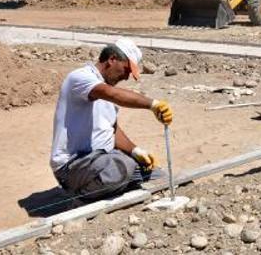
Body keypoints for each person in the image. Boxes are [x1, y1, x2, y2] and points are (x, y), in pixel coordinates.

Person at [50, 38, 174, 201]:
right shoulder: (80, 78)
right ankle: (78, 199)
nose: (127, 76)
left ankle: (109, 187)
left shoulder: (106, 91)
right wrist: (153, 104)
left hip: (102, 161)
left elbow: (111, 129)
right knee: (121, 168)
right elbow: (111, 94)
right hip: (73, 165)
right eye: (126, 69)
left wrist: (135, 151)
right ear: (112, 59)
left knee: (157, 175)